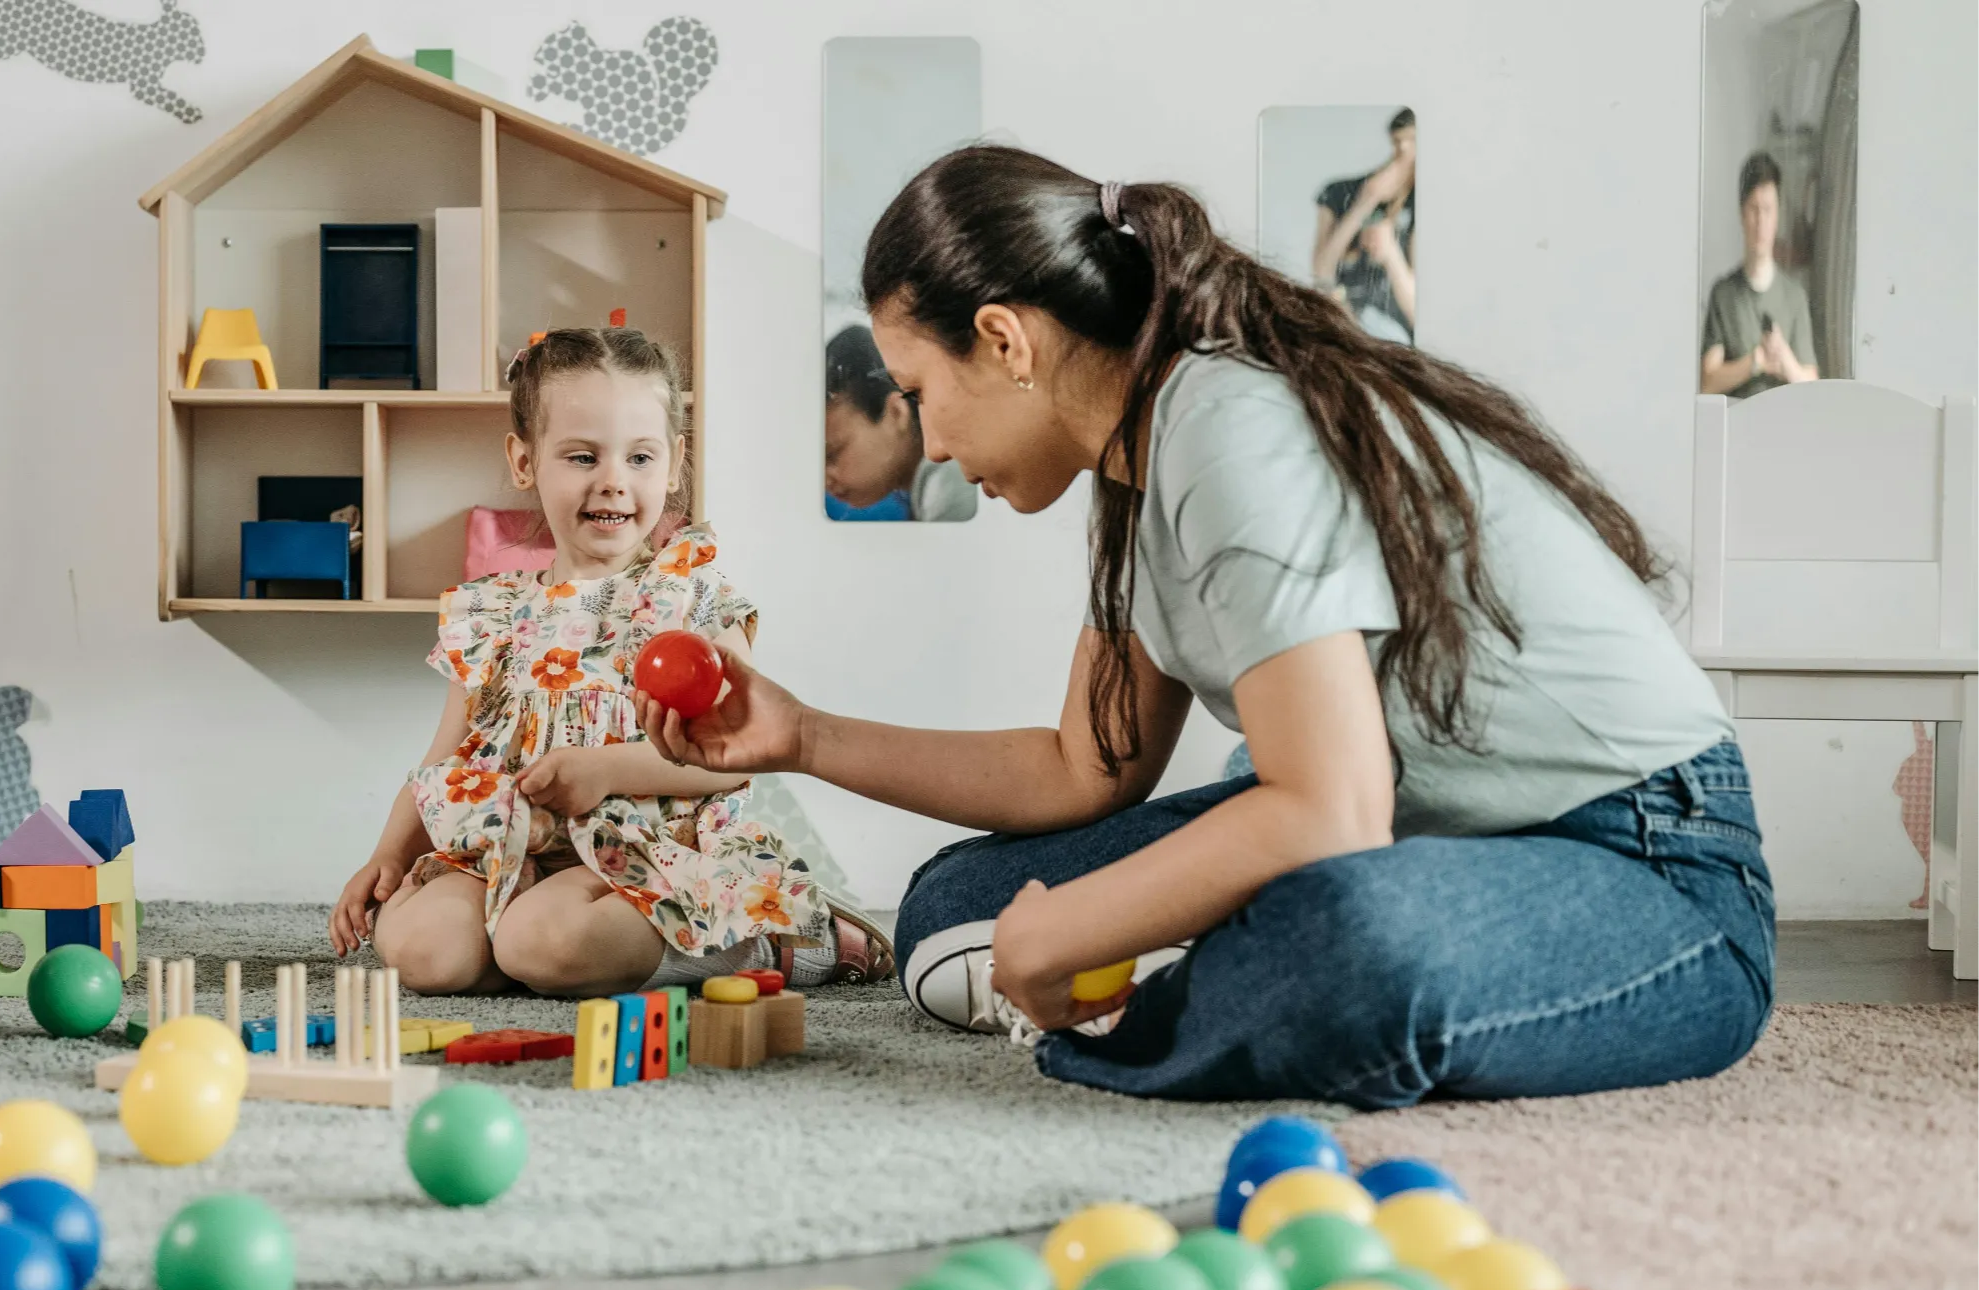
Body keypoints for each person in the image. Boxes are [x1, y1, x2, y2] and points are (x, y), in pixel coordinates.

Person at [642, 146, 1772, 1109]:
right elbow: (1079, 769)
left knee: (1343, 940)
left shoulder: (1227, 428)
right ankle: (1191, 960)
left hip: (1646, 860)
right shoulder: (1136, 463)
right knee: (953, 902)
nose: (928, 444)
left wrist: (1067, 929)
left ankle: (1188, 971)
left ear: (1004, 339)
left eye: (920, 390)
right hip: (1424, 829)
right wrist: (801, 736)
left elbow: (1328, 809)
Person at [328, 327, 892, 995]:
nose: (614, 482)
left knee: (544, 941)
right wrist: (387, 856)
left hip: (648, 853)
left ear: (675, 462)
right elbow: (443, 766)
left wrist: (605, 769)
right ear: (523, 460)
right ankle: (532, 947)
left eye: (640, 457)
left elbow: (738, 756)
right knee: (425, 953)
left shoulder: (693, 597)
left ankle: (767, 940)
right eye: (582, 456)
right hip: (510, 851)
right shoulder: (491, 613)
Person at [825, 324, 977, 522]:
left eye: (832, 455)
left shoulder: (952, 487)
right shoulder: (933, 488)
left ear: (896, 412)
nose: (825, 480)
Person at [1701, 151, 1818, 397]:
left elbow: (1812, 386)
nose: (1761, 221)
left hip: (1785, 428)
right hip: (1735, 429)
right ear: (1742, 214)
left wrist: (1784, 358)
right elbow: (1708, 382)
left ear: (1777, 215)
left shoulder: (1795, 297)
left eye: (1768, 209)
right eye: (1754, 209)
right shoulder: (1723, 294)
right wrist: (1756, 361)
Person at [1311, 108, 1417, 343]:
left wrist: (1390, 253)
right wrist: (1365, 203)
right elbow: (1321, 272)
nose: (1406, 150)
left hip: (1399, 341)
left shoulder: (1425, 202)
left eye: (1414, 141)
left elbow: (1417, 313)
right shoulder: (1339, 192)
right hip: (1345, 327)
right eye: (1400, 141)